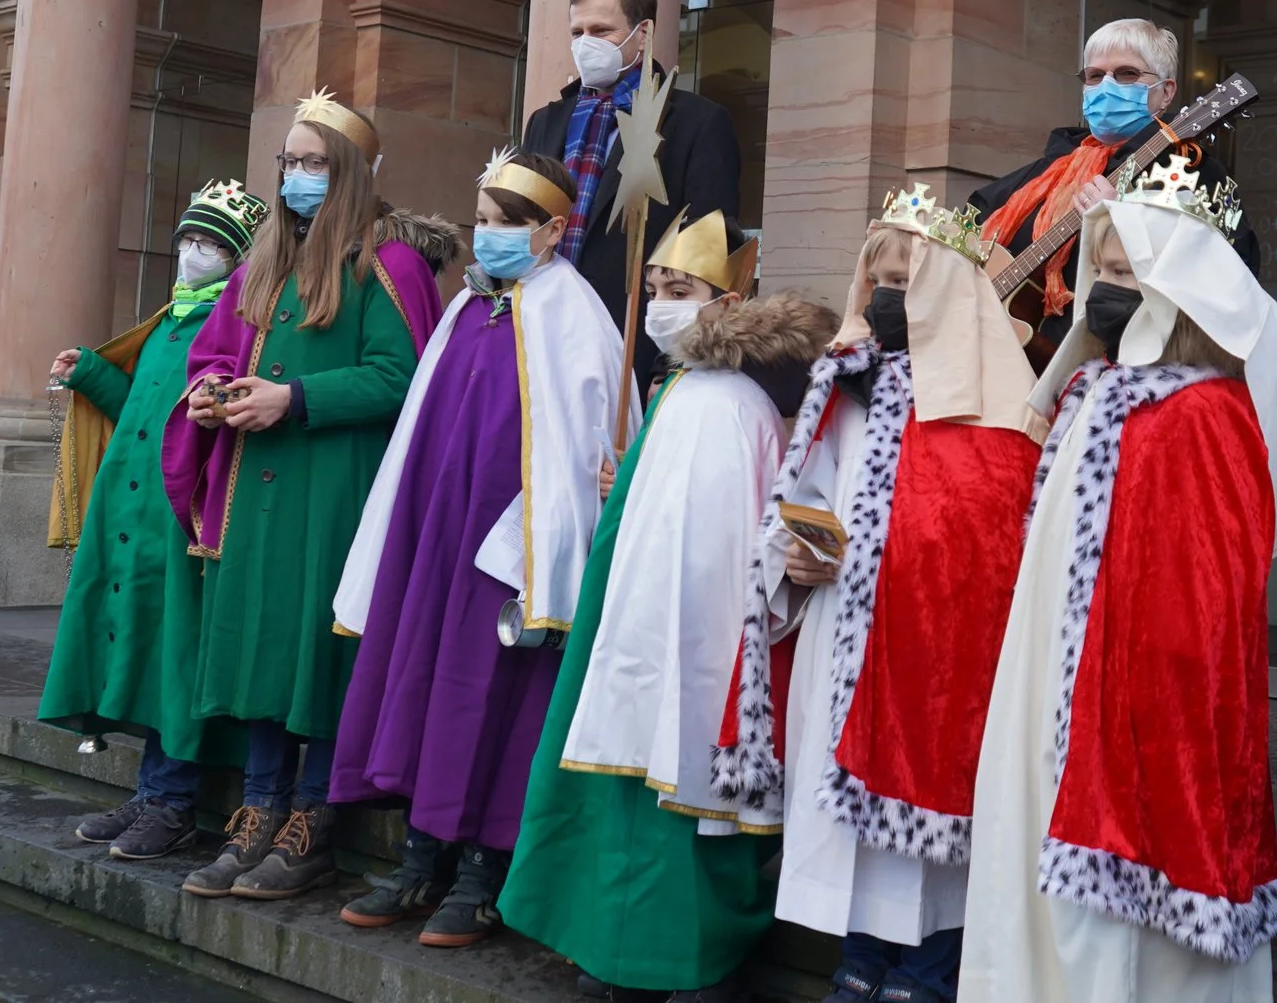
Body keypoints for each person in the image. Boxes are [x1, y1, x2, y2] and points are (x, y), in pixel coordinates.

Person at [960, 159, 1277, 1003]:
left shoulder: (1201, 413)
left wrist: (1130, 688)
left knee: (1129, 894)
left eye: (1128, 274)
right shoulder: (1097, 390)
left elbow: (1203, 597)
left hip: (1137, 694)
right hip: (1059, 672)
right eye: (1103, 270)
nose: (1104, 290)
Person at [712, 186, 1045, 1003]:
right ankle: (859, 955)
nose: (889, 298)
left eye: (907, 280)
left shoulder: (997, 406)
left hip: (935, 651)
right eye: (879, 281)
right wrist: (796, 554)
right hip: (842, 632)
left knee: (932, 810)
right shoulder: (844, 385)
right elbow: (802, 495)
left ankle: (928, 966)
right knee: (847, 809)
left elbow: (993, 546)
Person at [501, 212, 836, 1002]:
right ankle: (614, 946)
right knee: (621, 772)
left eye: (679, 288)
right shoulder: (678, 385)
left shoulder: (744, 403)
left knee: (685, 788)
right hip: (633, 616)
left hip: (706, 634)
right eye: (654, 287)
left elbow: (758, 514)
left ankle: (692, 958)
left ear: (727, 301)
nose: (660, 302)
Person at [328, 150, 635, 949]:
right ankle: (421, 856)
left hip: (512, 552)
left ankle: (480, 873)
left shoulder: (577, 317)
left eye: (506, 223)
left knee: (497, 698)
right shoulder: (469, 307)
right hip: (443, 533)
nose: (486, 235)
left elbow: (592, 444)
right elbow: (426, 427)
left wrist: (554, 533)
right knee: (435, 685)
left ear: (553, 231)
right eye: (483, 220)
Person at [162, 91, 437, 902]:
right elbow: (213, 351)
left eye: (314, 162)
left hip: (334, 484)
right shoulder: (265, 260)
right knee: (259, 639)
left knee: (318, 647)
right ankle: (258, 807)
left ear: (348, 171)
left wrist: (295, 397)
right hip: (256, 485)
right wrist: (210, 391)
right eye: (289, 161)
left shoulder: (389, 263)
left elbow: (403, 376)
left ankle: (312, 819)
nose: (296, 177)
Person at [40, 180, 269, 862]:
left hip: (180, 515)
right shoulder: (171, 319)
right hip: (130, 512)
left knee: (175, 651)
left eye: (210, 244)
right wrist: (91, 374)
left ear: (237, 258)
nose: (193, 252)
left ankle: (173, 801)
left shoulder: (234, 323)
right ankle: (150, 793)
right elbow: (143, 407)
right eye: (188, 239)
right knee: (140, 645)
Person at [972, 19, 1256, 355]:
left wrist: (1125, 221)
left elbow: (1228, 279)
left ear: (1166, 92)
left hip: (1121, 360)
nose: (1107, 86)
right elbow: (965, 234)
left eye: (1127, 74)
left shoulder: (1192, 172)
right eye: (1095, 76)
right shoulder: (1041, 174)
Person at [522, 0, 743, 355]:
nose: (586, 44)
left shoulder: (697, 123)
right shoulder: (546, 121)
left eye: (601, 31)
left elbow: (707, 251)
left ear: (642, 34)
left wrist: (673, 361)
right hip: (540, 329)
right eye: (578, 32)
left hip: (632, 340)